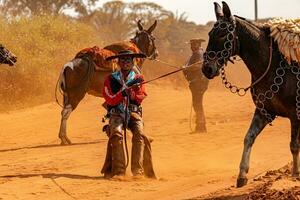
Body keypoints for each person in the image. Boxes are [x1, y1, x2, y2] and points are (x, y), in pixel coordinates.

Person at [101, 50, 156, 179]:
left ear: (133, 62)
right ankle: (119, 171)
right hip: (116, 113)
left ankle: (138, 171)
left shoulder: (138, 79)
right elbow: (109, 98)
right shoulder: (110, 79)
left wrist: (133, 95)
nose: (126, 62)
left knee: (139, 133)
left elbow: (142, 96)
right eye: (123, 60)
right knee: (116, 134)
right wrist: (123, 94)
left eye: (128, 60)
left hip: (133, 112)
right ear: (119, 62)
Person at [183, 38, 209, 133]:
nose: (191, 46)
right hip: (197, 82)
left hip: (199, 82)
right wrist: (185, 67)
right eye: (191, 44)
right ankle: (200, 126)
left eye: (193, 44)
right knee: (197, 103)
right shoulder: (197, 53)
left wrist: (186, 68)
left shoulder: (198, 54)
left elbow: (198, 66)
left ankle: (201, 127)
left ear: (198, 44)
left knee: (197, 104)